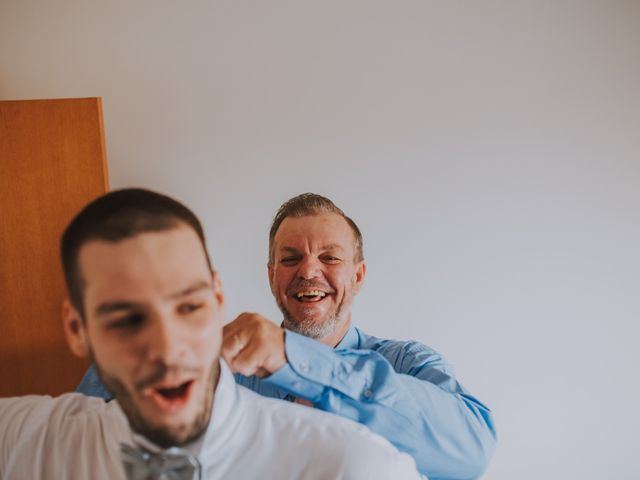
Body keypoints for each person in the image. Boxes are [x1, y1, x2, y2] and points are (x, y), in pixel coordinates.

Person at [0, 189, 422, 480]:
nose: (168, 349)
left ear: (218, 297)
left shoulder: (356, 462)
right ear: (77, 330)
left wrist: (295, 360)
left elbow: (471, 442)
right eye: (126, 320)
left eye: (188, 306)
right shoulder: (24, 440)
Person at [78, 192, 497, 479]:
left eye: (329, 257)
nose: (309, 272)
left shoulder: (407, 364)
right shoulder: (218, 361)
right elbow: (82, 432)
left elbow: (469, 451)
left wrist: (293, 358)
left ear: (359, 274)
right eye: (290, 258)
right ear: (271, 275)